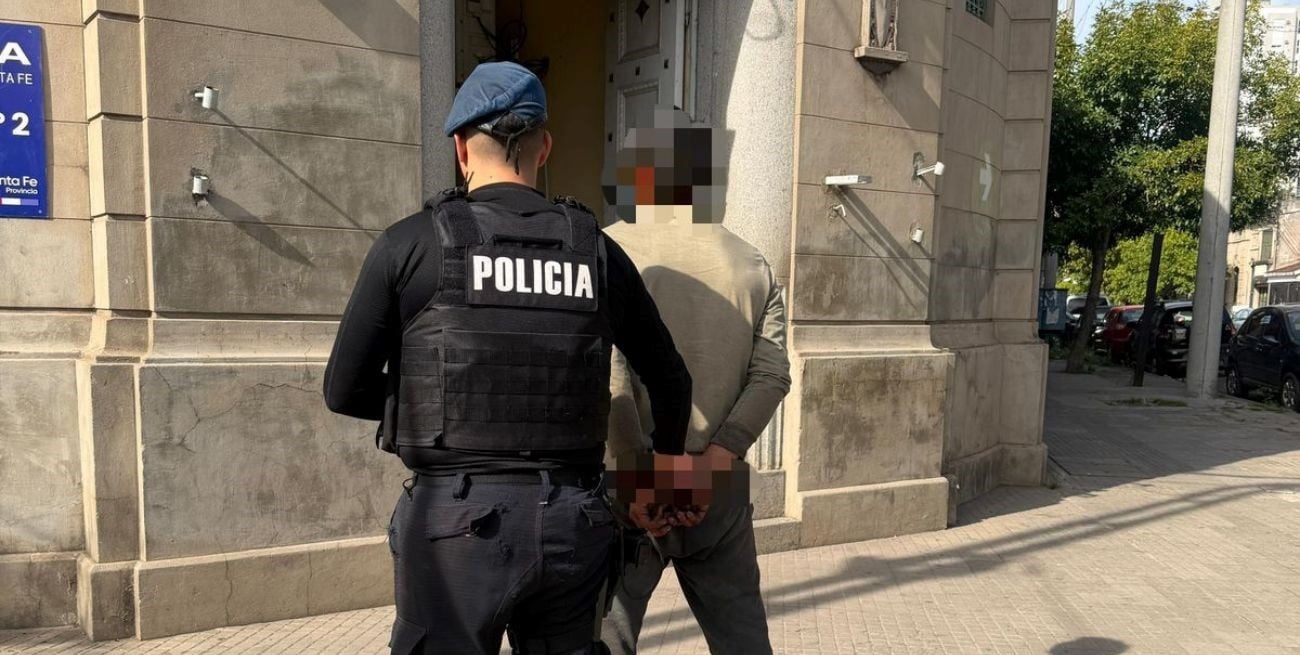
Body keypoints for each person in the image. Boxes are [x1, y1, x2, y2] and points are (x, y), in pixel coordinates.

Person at [323, 62, 693, 655]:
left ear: (460, 151)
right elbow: (671, 380)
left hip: (455, 527)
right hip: (573, 520)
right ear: (543, 147)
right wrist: (665, 477)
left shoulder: (409, 244)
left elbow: (343, 390)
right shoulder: (596, 250)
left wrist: (429, 402)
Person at [600, 109, 791, 655]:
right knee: (742, 641)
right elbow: (773, 374)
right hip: (718, 484)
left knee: (606, 638)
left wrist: (639, 465)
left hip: (627, 484)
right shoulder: (750, 262)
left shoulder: (606, 249)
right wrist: (715, 460)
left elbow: (606, 367)